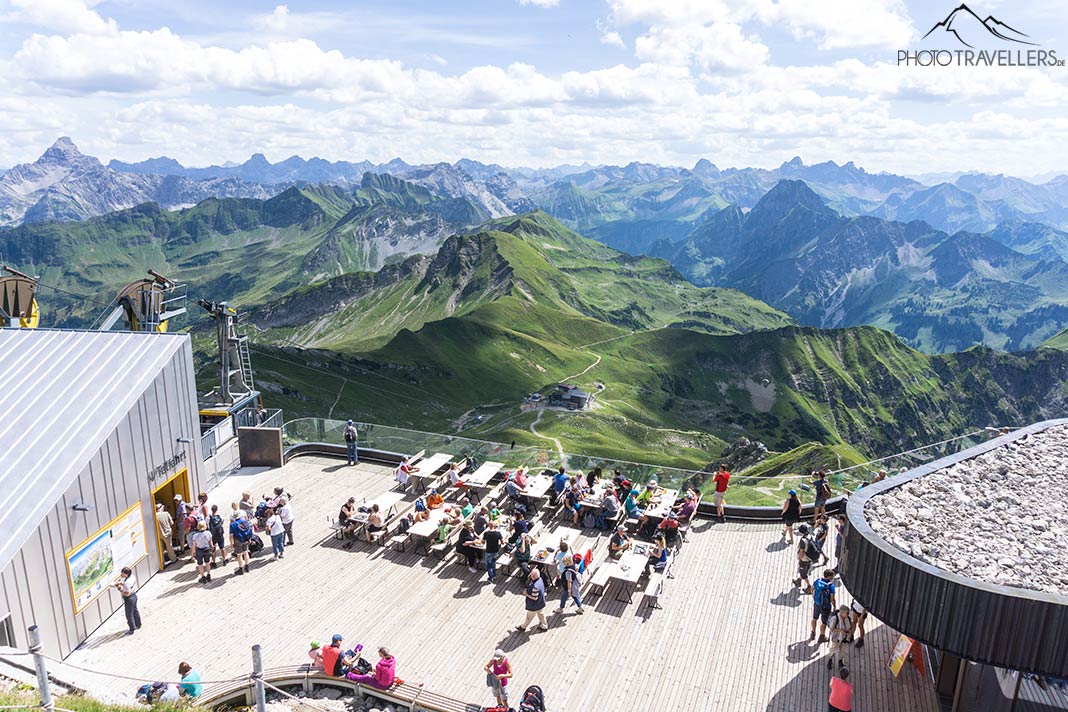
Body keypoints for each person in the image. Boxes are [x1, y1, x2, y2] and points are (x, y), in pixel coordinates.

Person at [811, 569, 837, 644]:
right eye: (832, 576)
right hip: (826, 606)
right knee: (824, 622)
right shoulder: (830, 586)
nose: (833, 577)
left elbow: (812, 589)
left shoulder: (818, 581)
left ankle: (813, 633)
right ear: (829, 577)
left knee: (814, 618)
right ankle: (822, 636)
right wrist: (834, 606)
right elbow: (832, 598)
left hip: (816, 603)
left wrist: (815, 597)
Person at [794, 523, 820, 593]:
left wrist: (799, 558)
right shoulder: (809, 536)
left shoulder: (803, 540)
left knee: (803, 573)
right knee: (804, 571)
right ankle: (798, 581)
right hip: (809, 558)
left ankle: (809, 587)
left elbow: (802, 551)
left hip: (804, 559)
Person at [115, 567, 141, 635]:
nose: (121, 574)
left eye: (122, 573)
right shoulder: (132, 576)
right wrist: (122, 583)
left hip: (129, 598)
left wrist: (120, 588)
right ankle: (138, 624)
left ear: (126, 574)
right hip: (134, 596)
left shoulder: (127, 583)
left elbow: (127, 593)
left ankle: (132, 629)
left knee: (129, 614)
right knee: (135, 610)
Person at [827, 604, 852, 670]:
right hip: (837, 638)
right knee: (833, 649)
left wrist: (848, 632)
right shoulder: (835, 618)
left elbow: (850, 626)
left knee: (842, 651)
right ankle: (830, 660)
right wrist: (840, 631)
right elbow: (831, 629)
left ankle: (840, 661)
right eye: (846, 613)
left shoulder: (848, 618)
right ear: (842, 613)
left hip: (844, 638)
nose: (847, 614)